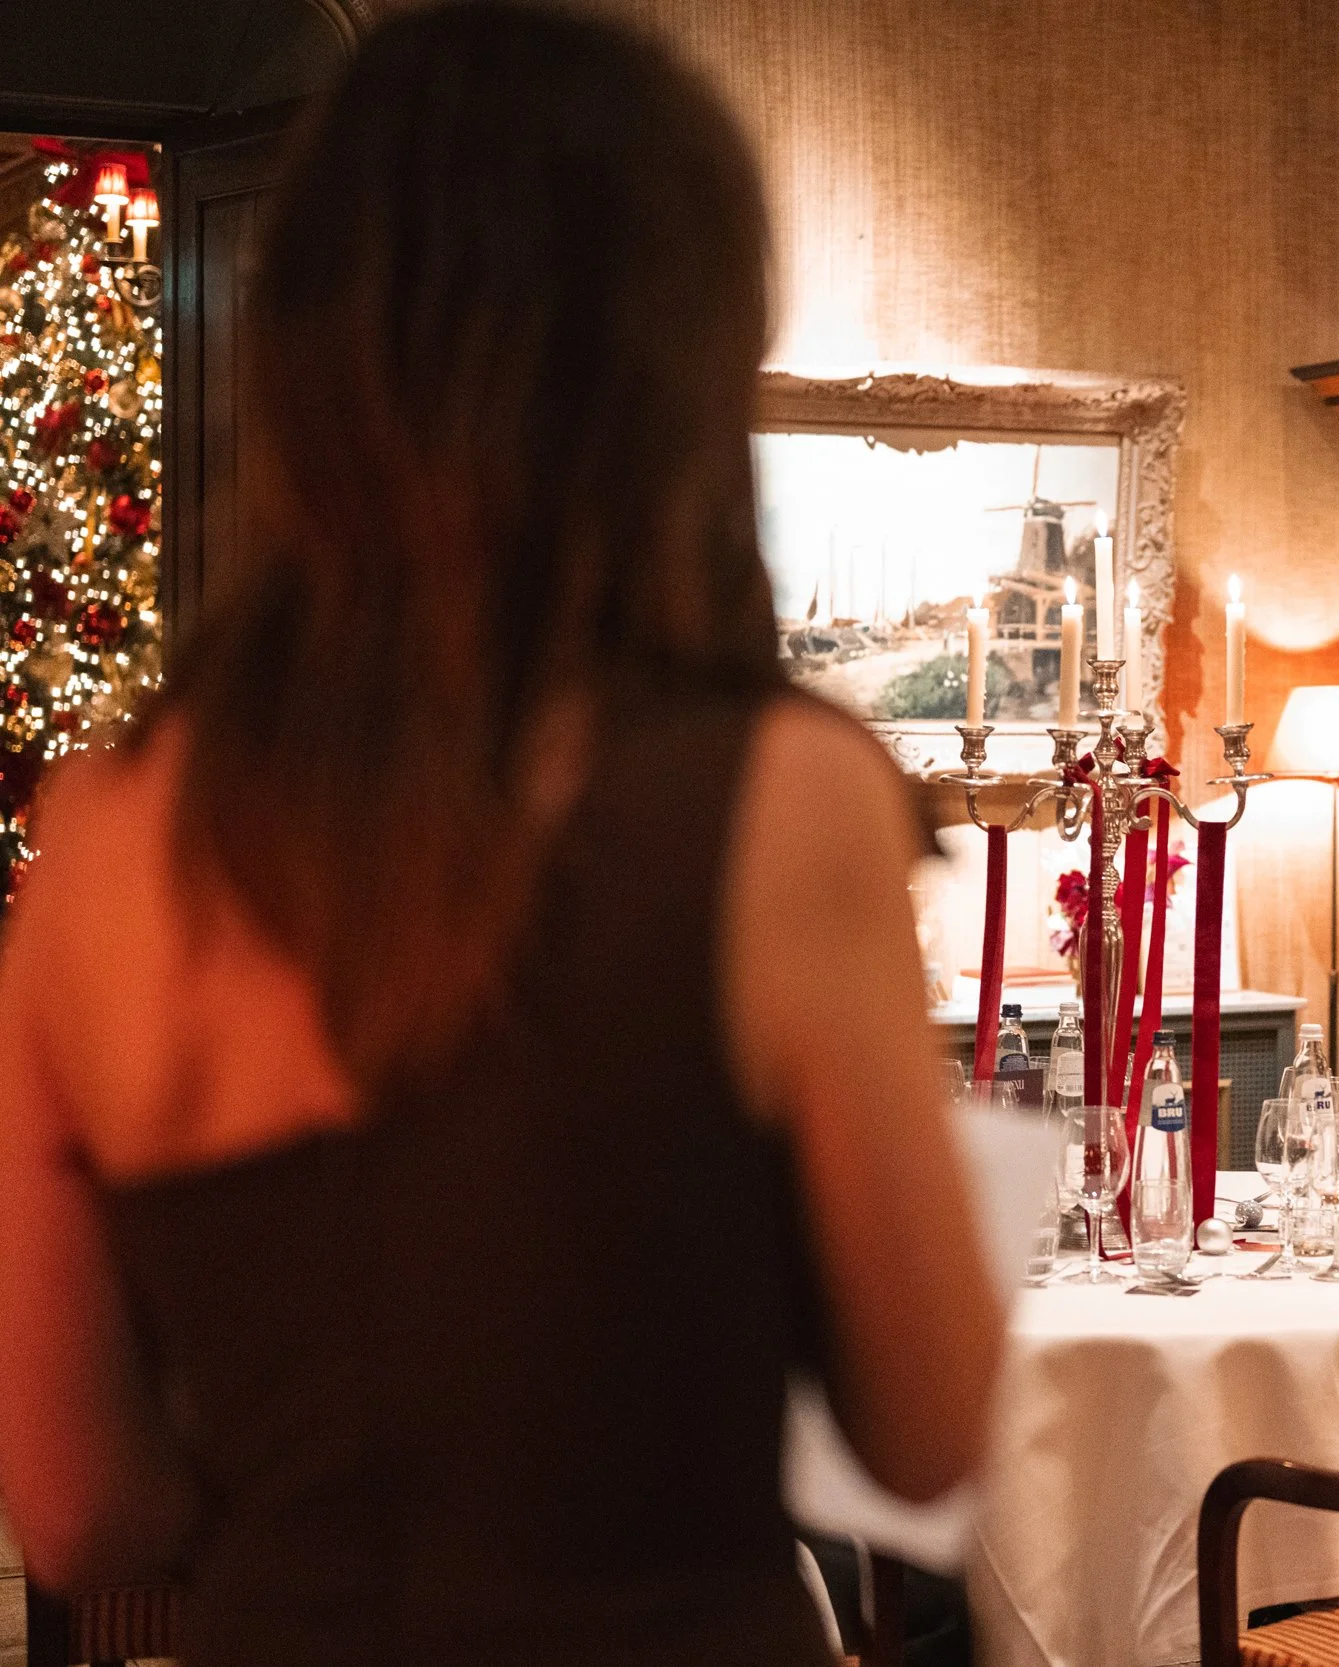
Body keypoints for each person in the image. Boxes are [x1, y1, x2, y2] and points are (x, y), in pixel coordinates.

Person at [0, 9, 1003, 1667]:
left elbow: (80, 1506)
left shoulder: (99, 841)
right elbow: (929, 1428)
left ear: (303, 351)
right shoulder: (780, 802)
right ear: (673, 365)